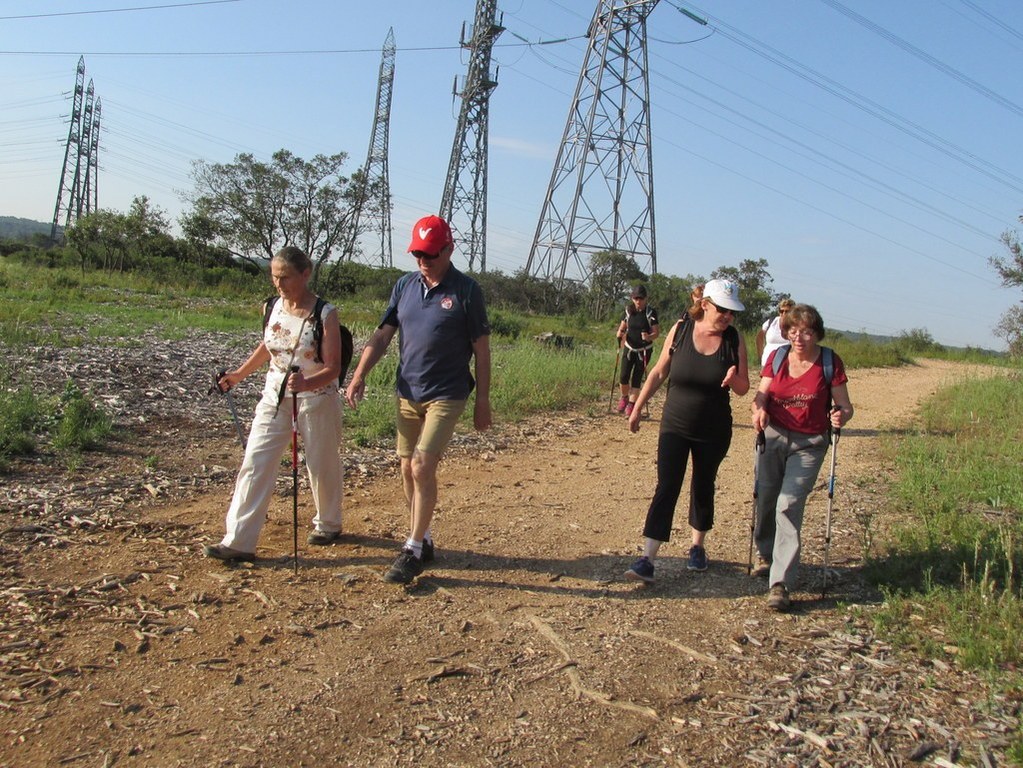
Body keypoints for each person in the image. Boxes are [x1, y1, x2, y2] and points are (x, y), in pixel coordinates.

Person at [345, 215, 492, 584]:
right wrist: (360, 373)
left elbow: (482, 350)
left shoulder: (467, 292)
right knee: (405, 466)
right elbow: (381, 336)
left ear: (449, 249)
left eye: (430, 254)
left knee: (422, 467)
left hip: (448, 392)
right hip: (407, 391)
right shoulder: (405, 286)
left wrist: (483, 400)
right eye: (417, 254)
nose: (423, 261)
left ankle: (411, 549)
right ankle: (423, 538)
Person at [204, 246, 345, 562]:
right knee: (255, 460)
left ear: (305, 275)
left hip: (316, 398)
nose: (279, 284)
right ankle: (238, 541)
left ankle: (329, 522)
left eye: (285, 278)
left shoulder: (325, 314)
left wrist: (308, 382)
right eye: (274, 277)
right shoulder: (272, 307)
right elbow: (269, 345)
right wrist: (238, 374)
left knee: (321, 464)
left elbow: (334, 367)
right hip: (274, 395)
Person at [624, 278, 751, 584]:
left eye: (732, 312)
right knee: (667, 486)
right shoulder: (680, 330)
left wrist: (733, 379)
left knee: (703, 484)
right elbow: (658, 371)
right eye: (723, 310)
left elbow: (744, 388)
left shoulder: (734, 340)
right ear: (705, 304)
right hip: (675, 425)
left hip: (714, 428)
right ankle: (648, 558)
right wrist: (638, 407)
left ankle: (697, 546)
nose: (728, 317)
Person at [750, 303, 853, 611]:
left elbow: (846, 406)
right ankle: (766, 553)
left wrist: (840, 416)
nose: (799, 338)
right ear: (786, 333)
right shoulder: (778, 357)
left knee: (788, 503)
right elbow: (761, 394)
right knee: (767, 498)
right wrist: (759, 410)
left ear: (816, 333)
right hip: (774, 435)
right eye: (793, 331)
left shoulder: (829, 361)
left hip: (810, 442)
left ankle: (780, 583)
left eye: (806, 332)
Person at [615, 285, 660, 417]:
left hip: (644, 350)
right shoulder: (629, 311)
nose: (638, 301)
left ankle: (632, 405)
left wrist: (649, 337)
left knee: (636, 378)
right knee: (623, 376)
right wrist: (620, 333)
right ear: (632, 298)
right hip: (629, 348)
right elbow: (623, 326)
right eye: (635, 298)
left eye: (640, 298)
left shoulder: (650, 313)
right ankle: (624, 398)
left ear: (646, 299)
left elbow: (656, 333)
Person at [756, 298, 795, 369]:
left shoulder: (796, 326)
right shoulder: (771, 322)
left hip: (786, 366)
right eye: (781, 311)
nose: (784, 313)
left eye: (787, 311)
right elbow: (759, 337)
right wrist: (761, 356)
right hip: (767, 364)